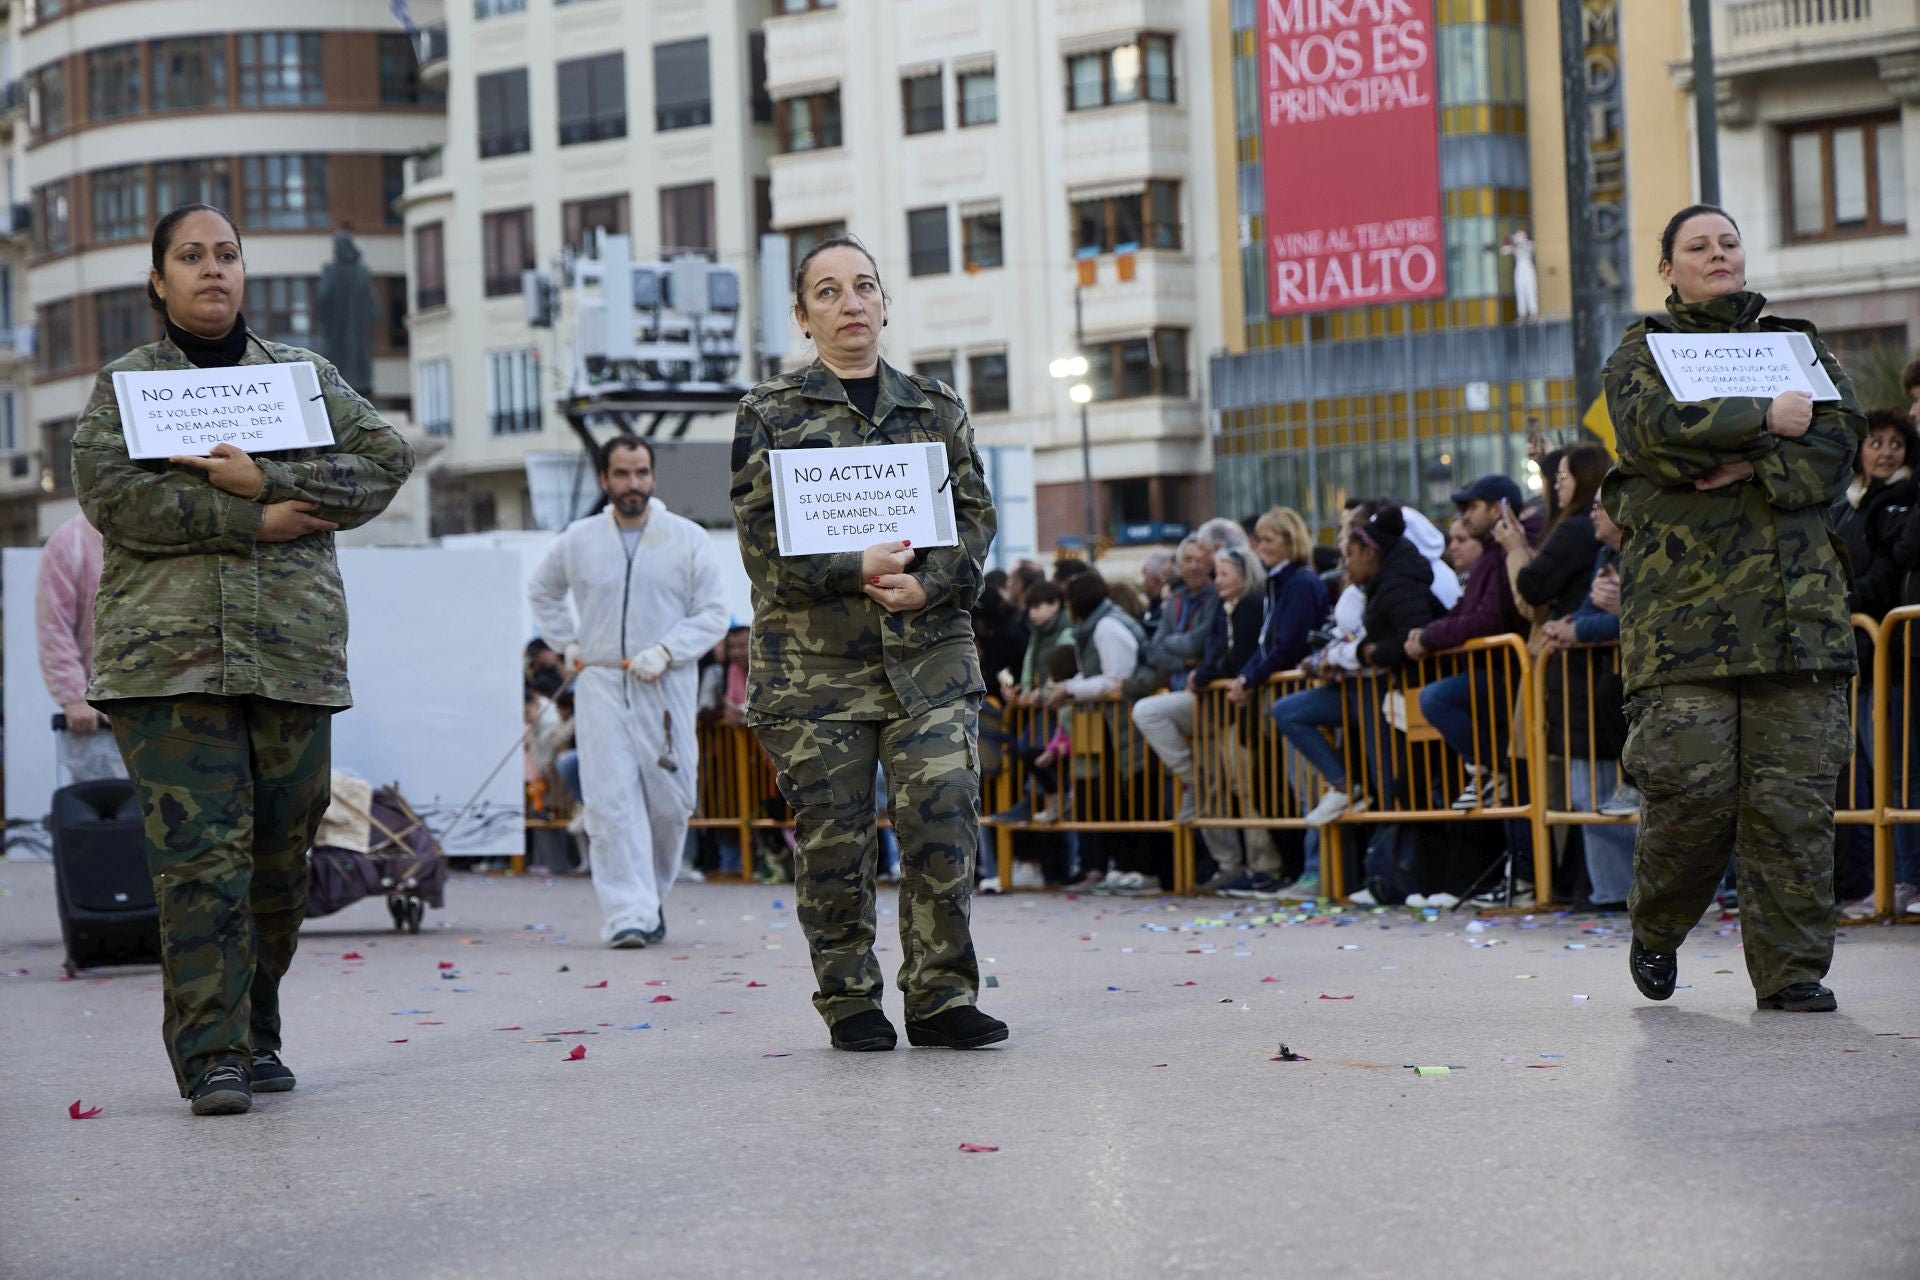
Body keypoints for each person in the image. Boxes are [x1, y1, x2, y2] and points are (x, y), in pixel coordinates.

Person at [72, 203, 414, 1116]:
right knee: (199, 865)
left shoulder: (302, 380)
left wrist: (274, 478)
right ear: (159, 280)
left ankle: (255, 1030)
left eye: (226, 254)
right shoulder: (128, 386)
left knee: (278, 864)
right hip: (168, 668)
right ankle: (212, 1054)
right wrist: (246, 519)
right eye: (191, 257)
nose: (211, 270)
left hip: (291, 659)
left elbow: (385, 463)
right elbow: (112, 497)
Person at [730, 235, 1007, 1052]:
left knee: (944, 818)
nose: (850, 303)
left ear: (885, 303)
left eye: (864, 287)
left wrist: (935, 580)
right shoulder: (770, 414)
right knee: (835, 840)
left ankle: (940, 997)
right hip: (815, 674)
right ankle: (850, 996)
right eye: (828, 292)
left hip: (929, 657)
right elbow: (763, 543)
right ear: (802, 316)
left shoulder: (935, 407)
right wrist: (854, 566)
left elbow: (976, 519)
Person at [1604, 203, 1864, 1012]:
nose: (1717, 254)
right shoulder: (1643, 351)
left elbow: (1832, 448)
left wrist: (1744, 469)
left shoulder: (1799, 345)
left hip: (1799, 619)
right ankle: (1658, 925)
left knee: (1793, 809)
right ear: (1668, 267)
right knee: (1691, 799)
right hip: (1684, 629)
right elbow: (1655, 436)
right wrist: (1765, 421)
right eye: (1696, 245)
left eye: (1728, 242)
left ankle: (1791, 973)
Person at [530, 436, 729, 948]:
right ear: (604, 480)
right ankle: (626, 914)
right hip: (598, 683)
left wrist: (666, 650)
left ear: (653, 476)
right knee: (609, 799)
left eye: (641, 472)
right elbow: (542, 590)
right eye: (621, 474)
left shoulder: (687, 538)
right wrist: (568, 642)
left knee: (671, 800)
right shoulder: (578, 539)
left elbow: (712, 613)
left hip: (666, 686)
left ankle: (650, 897)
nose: (632, 483)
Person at [1271, 504, 1447, 827]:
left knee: (1391, 782)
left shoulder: (1399, 582)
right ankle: (1342, 787)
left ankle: (1401, 870)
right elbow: (1364, 635)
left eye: (1349, 554)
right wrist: (1332, 656)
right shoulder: (1380, 583)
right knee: (1287, 710)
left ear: (1369, 552)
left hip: (1389, 689)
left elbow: (1412, 636)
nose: (1346, 564)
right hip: (1359, 686)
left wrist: (1366, 654)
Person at [1408, 474, 1541, 810]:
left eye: (1472, 507)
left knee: (1435, 698)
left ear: (1498, 509)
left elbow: (1488, 619)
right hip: (1501, 673)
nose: (1465, 515)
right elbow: (1464, 609)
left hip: (1513, 674)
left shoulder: (1509, 551)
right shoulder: (1491, 557)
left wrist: (1428, 637)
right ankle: (1491, 771)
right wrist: (1427, 633)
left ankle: (1495, 768)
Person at [1538, 494, 1635, 909]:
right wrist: (1568, 624)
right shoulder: (1603, 554)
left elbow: (1635, 615)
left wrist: (1582, 630)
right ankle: (1612, 891)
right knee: (1590, 798)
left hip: (1652, 684)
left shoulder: (1643, 549)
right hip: (1604, 687)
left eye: (1601, 505)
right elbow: (1590, 611)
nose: (1594, 513)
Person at [1052, 569, 1151, 891]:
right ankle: (1126, 865)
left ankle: (1143, 866)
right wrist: (1069, 686)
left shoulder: (1107, 626)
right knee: (1120, 796)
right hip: (1115, 723)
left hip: (1127, 721)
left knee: (1136, 794)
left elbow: (1114, 680)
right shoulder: (1099, 623)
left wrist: (1070, 690)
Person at [36, 512, 127, 782]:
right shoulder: (69, 542)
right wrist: (75, 696)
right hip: (97, 723)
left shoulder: (166, 535)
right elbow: (54, 626)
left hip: (165, 712)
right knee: (110, 816)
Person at [1505, 444, 1608, 622]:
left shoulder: (1575, 529)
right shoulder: (1598, 523)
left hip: (1573, 639)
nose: (1556, 485)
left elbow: (1532, 586)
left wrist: (1516, 550)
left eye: (1562, 477)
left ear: (1583, 478)